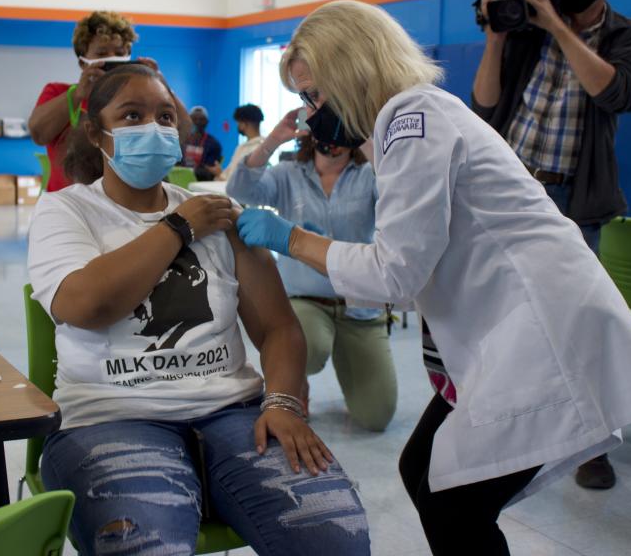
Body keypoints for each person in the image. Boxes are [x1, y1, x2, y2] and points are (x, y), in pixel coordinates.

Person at [235, 0, 631, 556]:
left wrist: (290, 239)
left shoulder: (411, 120)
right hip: (510, 330)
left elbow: (394, 272)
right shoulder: (402, 126)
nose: (309, 114)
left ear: (351, 71)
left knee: (452, 500)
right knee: (424, 471)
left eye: (314, 96)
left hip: (541, 332)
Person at [27, 64, 369, 556]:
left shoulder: (219, 215)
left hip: (232, 413)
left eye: (166, 116)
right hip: (111, 416)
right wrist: (178, 229)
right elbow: (85, 304)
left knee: (336, 539)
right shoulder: (67, 210)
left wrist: (283, 404)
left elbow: (279, 329)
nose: (155, 128)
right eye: (131, 116)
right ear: (93, 131)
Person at [472, 0, 631, 490]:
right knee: (497, 314)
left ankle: (593, 441)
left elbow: (615, 92)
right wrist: (498, 38)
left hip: (575, 199)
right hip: (511, 191)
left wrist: (556, 27)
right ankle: (508, 424)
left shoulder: (627, 34)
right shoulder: (524, 27)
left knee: (579, 320)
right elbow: (484, 101)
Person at [226, 112, 396, 432]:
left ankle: (342, 370)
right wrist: (274, 140)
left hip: (360, 304)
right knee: (311, 348)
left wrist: (370, 141)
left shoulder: (368, 174)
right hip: (305, 299)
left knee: (377, 416)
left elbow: (399, 194)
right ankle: (296, 381)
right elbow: (242, 190)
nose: (332, 142)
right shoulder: (288, 174)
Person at [29, 10, 173, 192]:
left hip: (123, 203)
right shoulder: (59, 92)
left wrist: (158, 84)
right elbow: (38, 134)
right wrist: (78, 94)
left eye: (119, 53)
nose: (111, 58)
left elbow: (181, 131)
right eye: (102, 53)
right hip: (68, 203)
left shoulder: (136, 100)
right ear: (83, 63)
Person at [203, 103, 264, 181]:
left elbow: (240, 181)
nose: (237, 125)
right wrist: (220, 173)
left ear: (245, 123)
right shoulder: (243, 147)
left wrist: (220, 174)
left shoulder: (256, 149)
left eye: (238, 122)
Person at [182, 105, 222, 180]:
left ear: (207, 122)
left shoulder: (213, 144)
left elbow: (209, 172)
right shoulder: (182, 140)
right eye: (194, 119)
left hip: (201, 184)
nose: (197, 122)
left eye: (201, 119)